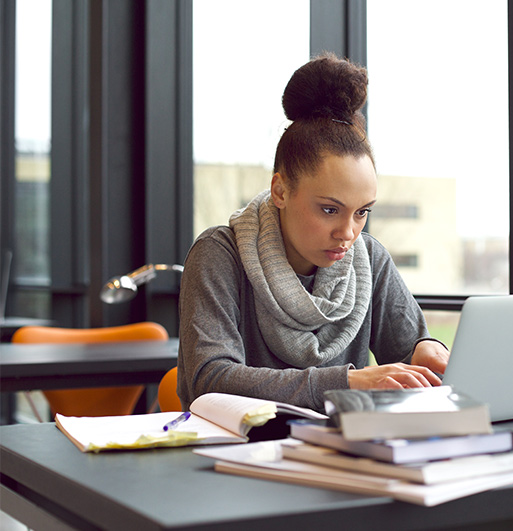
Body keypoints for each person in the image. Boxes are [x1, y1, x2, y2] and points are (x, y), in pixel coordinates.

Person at [177, 53, 450, 412]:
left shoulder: (368, 258)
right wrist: (347, 382)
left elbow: (409, 353)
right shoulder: (219, 253)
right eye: (329, 209)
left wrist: (428, 351)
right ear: (280, 191)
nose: (347, 233)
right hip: (237, 453)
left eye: (362, 212)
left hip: (341, 451)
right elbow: (209, 380)